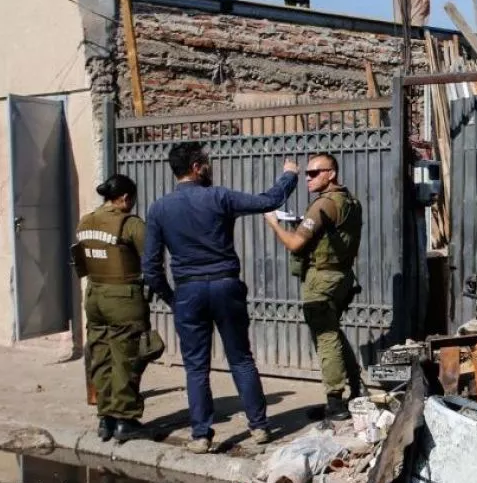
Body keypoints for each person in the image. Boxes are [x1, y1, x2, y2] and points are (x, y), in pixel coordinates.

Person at [143, 142, 299, 452]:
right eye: (207, 162)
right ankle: (259, 427)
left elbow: (150, 267)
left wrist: (172, 299)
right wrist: (289, 175)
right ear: (197, 167)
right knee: (241, 358)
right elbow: (269, 200)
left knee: (196, 367)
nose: (211, 167)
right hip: (225, 286)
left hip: (188, 291)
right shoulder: (219, 197)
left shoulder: (159, 209)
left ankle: (201, 435)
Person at [263, 153, 362, 419]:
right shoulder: (349, 201)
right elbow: (332, 233)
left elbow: (296, 244)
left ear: (331, 173)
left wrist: (274, 224)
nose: (308, 178)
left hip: (321, 281)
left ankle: (336, 403)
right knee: (335, 334)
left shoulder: (323, 205)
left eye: (315, 173)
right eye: (306, 173)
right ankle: (356, 392)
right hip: (342, 277)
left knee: (326, 338)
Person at [71, 173, 164, 444]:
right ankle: (125, 420)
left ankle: (106, 418)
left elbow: (81, 258)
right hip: (123, 298)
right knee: (126, 357)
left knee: (101, 357)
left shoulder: (85, 221)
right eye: (131, 199)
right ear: (124, 198)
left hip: (94, 296)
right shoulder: (130, 224)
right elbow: (151, 259)